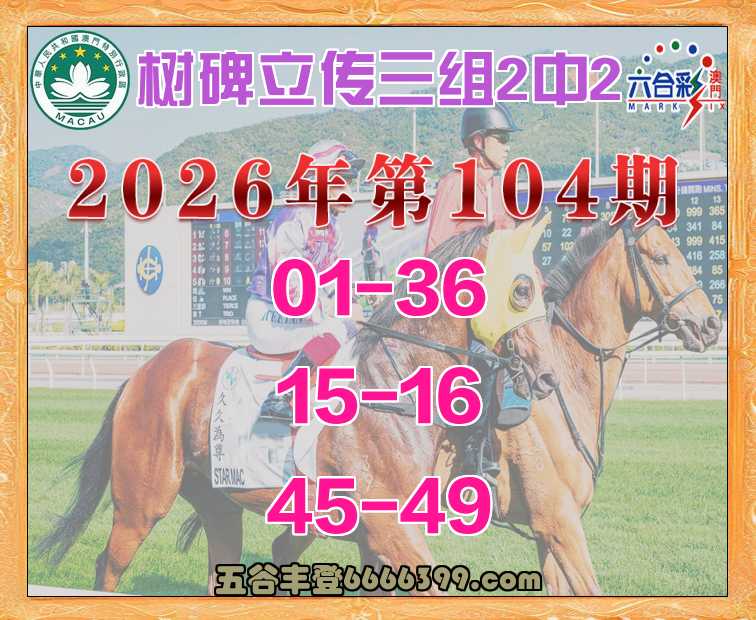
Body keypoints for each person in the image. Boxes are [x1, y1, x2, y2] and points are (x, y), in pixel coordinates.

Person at [425, 103, 532, 480]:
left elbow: (511, 246)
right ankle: (473, 449)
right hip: (458, 301)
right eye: (500, 138)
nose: (507, 146)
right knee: (484, 356)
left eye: (506, 139)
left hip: (492, 301)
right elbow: (435, 251)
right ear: (478, 141)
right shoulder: (455, 184)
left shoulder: (498, 189)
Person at [246, 139, 365, 420]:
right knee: (338, 328)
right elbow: (291, 289)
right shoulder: (294, 218)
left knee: (356, 328)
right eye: (342, 182)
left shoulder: (333, 228)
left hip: (300, 314)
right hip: (270, 314)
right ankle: (281, 395)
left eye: (349, 182)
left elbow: (335, 280)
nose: (348, 191)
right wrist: (334, 309)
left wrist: (352, 303)